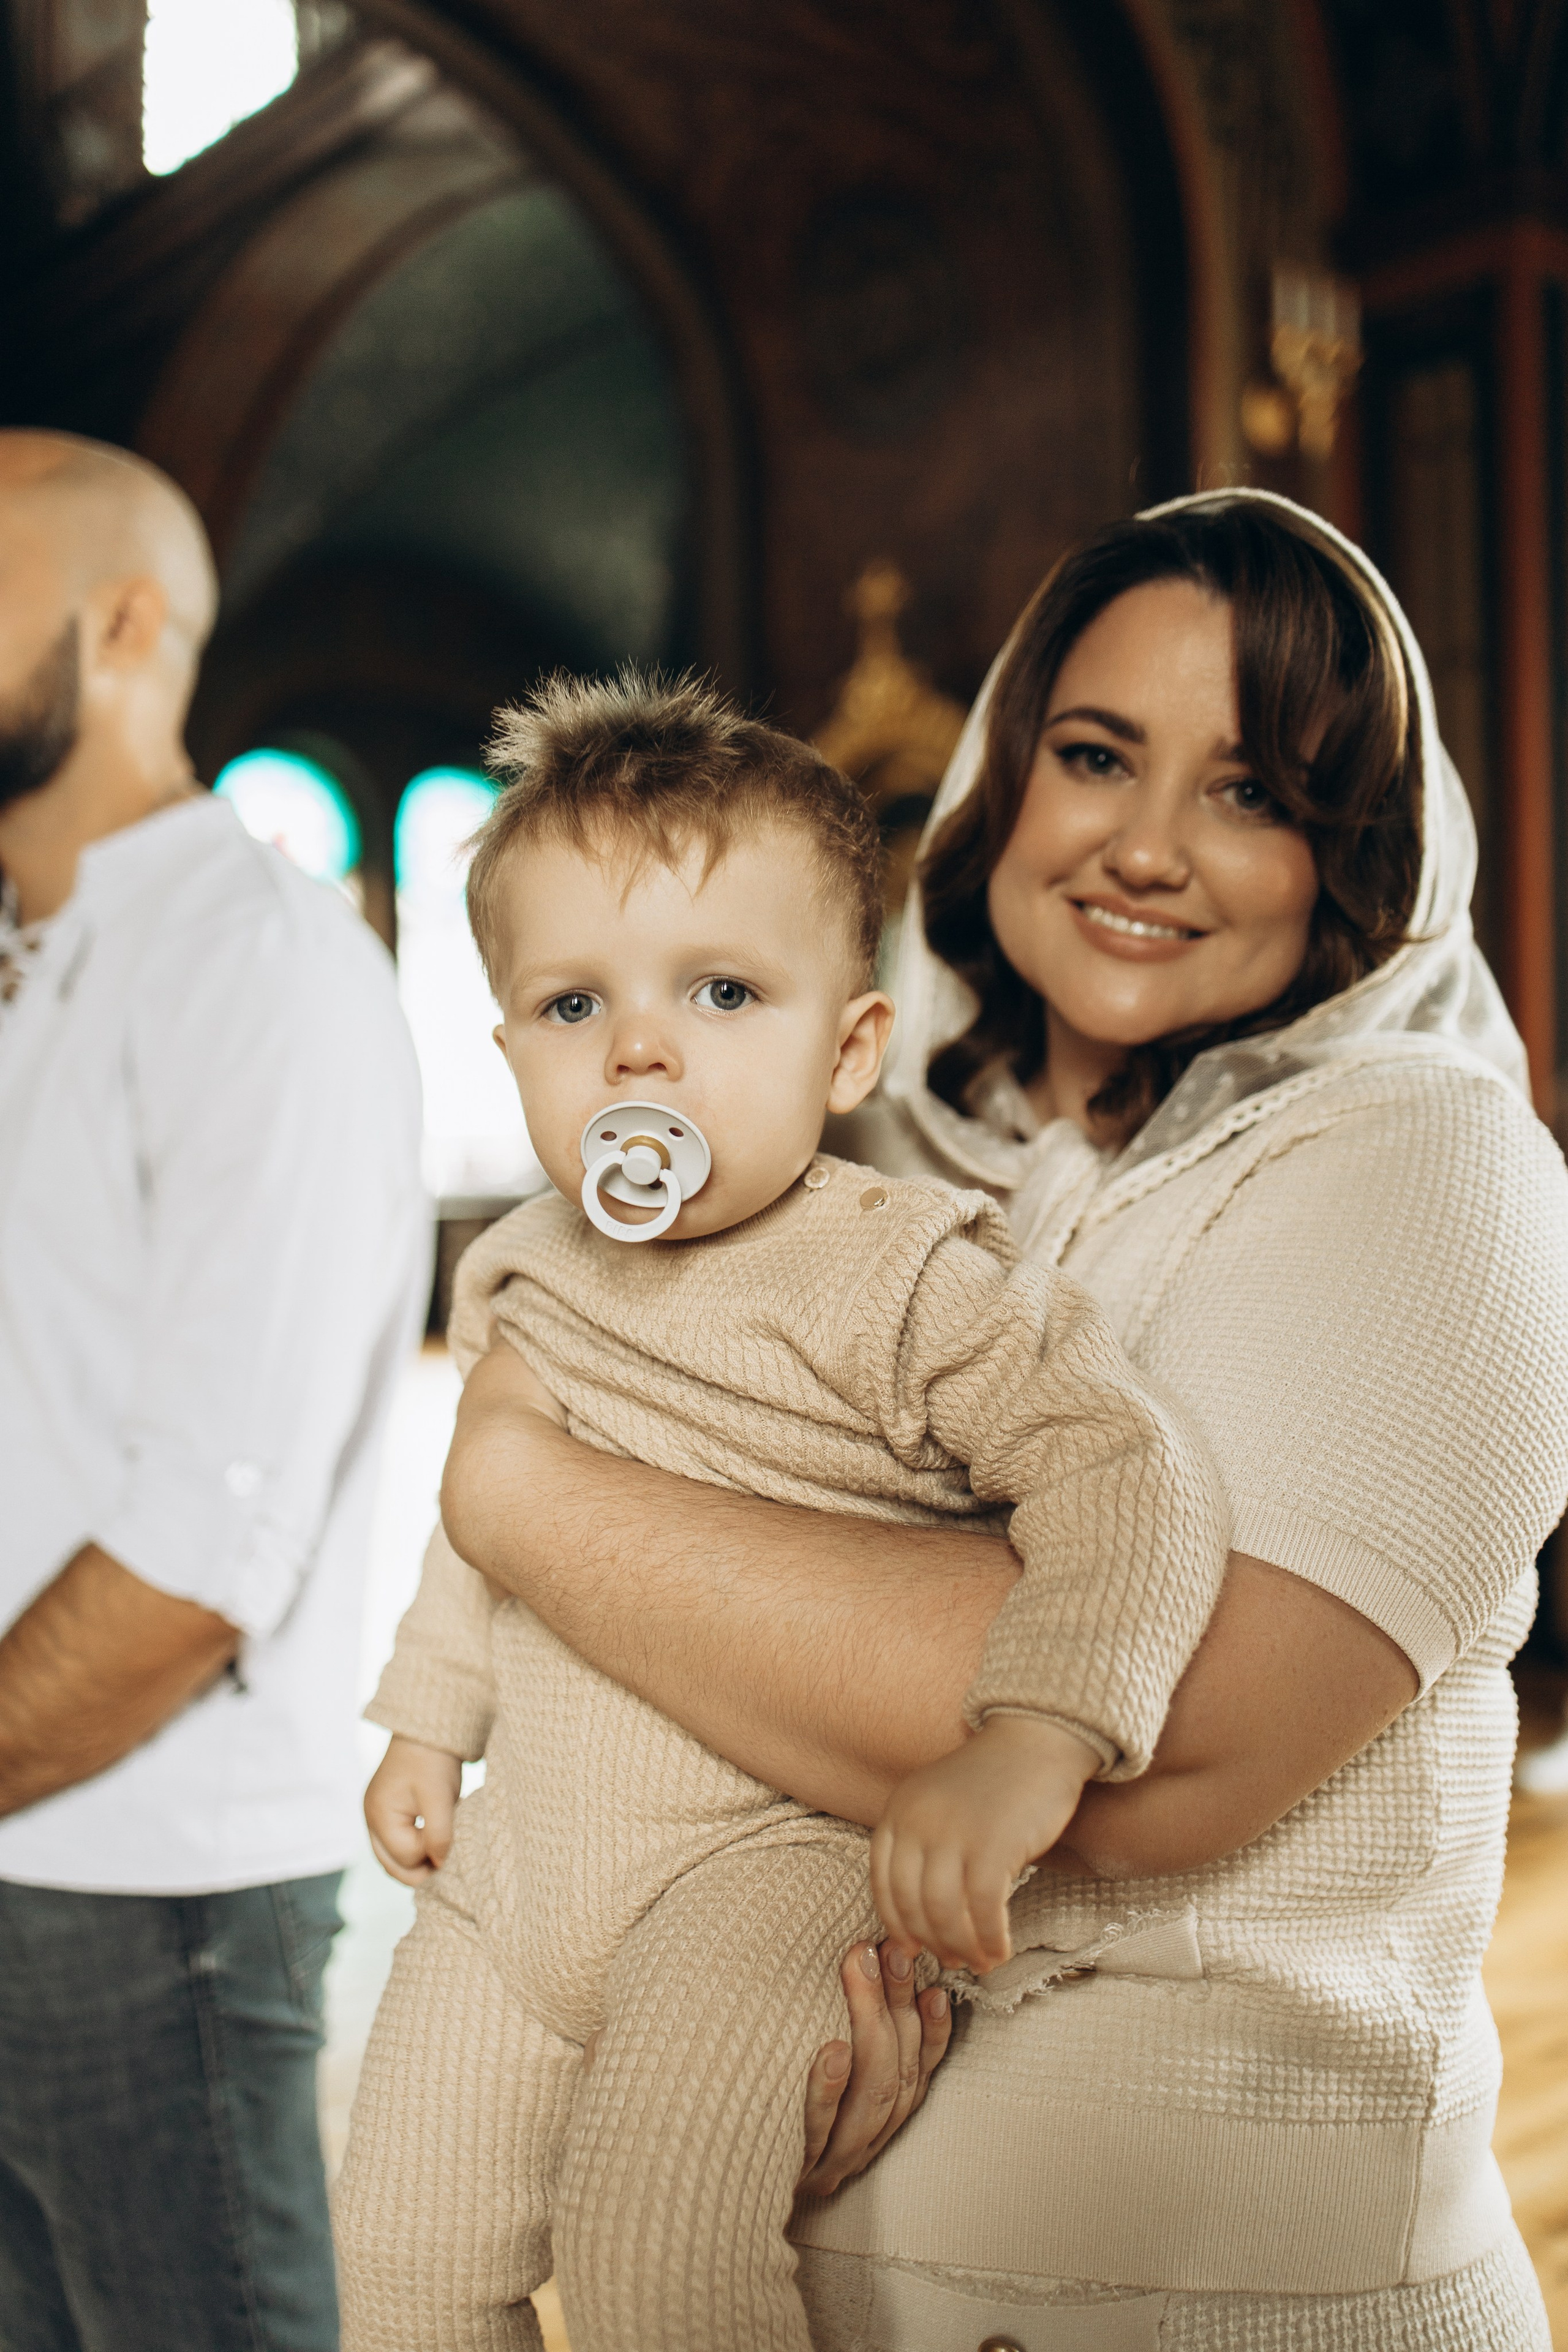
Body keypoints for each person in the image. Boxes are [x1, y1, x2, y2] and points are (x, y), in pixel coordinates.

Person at [439, 491, 1568, 2350]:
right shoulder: (858, 1165)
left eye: (1252, 790)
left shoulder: (1433, 1165)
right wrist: (742, 2072)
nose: (1148, 846)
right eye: (1097, 756)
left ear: (1348, 849)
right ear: (1006, 778)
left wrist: (524, 1497)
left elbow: (1182, 1747)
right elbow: (673, 1728)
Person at [333, 673, 1227, 2352]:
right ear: (510, 1050)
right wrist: (427, 1723)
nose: (641, 1049)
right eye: (574, 1004)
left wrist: (1036, 1735)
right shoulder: (522, 1268)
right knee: (395, 2264)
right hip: (524, 1868)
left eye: (724, 990)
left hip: (762, 1869)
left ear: (849, 1046)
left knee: (659, 2259)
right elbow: (485, 1522)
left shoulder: (907, 1278)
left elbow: (1127, 1473)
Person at [0, 431, 428, 2352]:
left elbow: (198, 1554)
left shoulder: (257, 968)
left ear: (121, 628)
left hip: (150, 1892)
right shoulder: (35, 956)